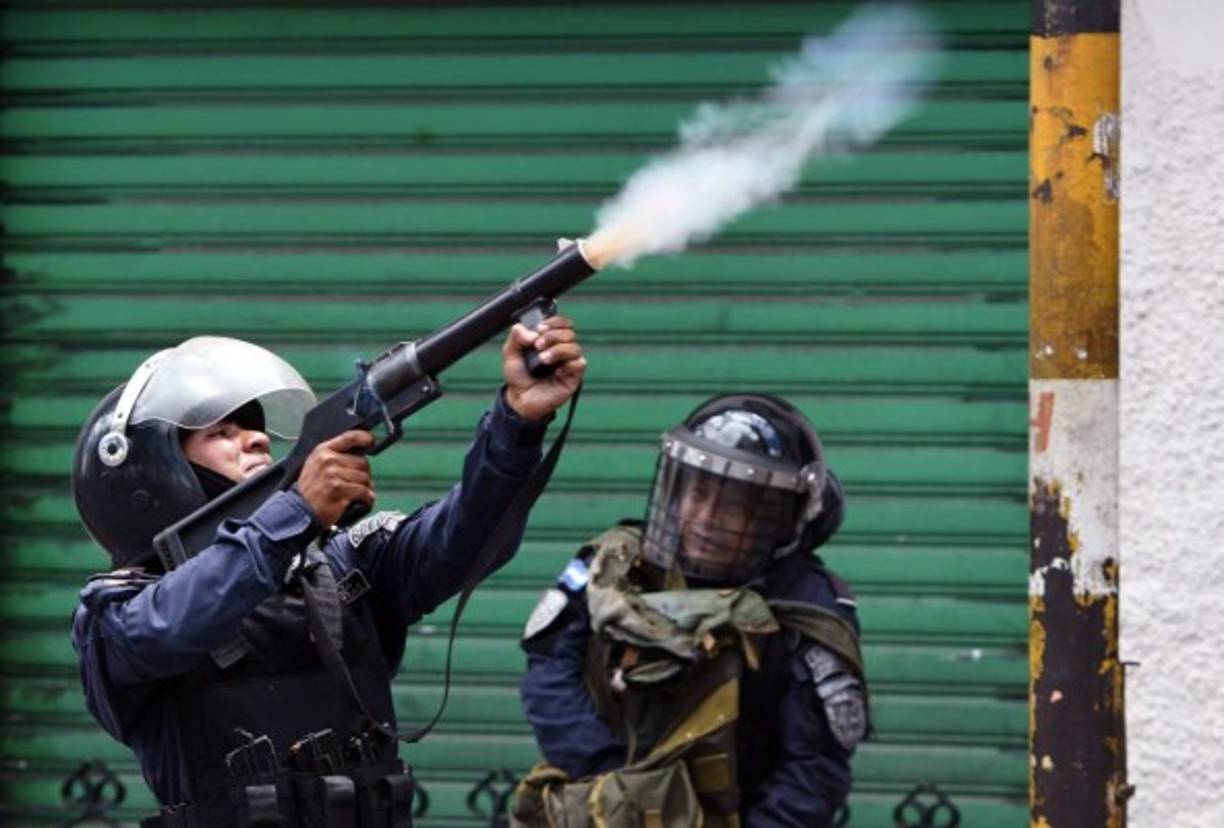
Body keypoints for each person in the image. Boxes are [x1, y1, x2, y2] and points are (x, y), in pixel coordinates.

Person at [70, 319, 586, 827]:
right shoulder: (117, 615)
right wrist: (296, 512)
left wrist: (518, 423)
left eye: (254, 427)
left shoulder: (342, 566)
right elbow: (181, 619)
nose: (257, 439)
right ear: (159, 474)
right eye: (221, 432)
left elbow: (462, 540)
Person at [513, 394, 868, 828]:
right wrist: (615, 784)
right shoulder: (615, 564)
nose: (705, 517)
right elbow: (549, 672)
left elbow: (813, 771)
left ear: (779, 519)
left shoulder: (806, 604)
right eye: (697, 492)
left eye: (734, 503)